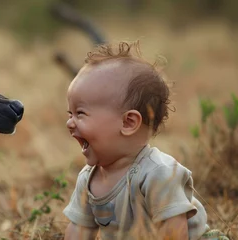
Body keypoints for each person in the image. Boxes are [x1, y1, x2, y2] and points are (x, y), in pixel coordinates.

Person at [63, 41, 228, 240]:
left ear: (128, 122)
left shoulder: (158, 173)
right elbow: (78, 231)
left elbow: (174, 234)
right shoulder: (87, 178)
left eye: (80, 114)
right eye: (70, 113)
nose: (69, 123)